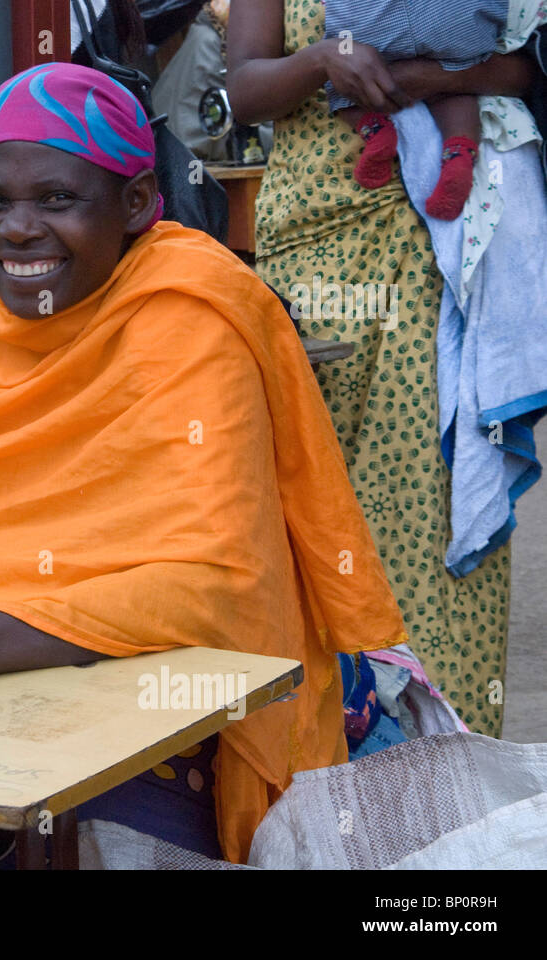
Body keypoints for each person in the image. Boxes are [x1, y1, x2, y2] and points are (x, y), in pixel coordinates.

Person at [0, 62, 406, 868]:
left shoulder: (189, 311)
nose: (18, 230)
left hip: (178, 698)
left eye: (58, 200)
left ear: (136, 203)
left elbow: (214, 585)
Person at [228, 0, 541, 736]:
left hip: (438, 244)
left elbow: (526, 65)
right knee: (307, 503)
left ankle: (449, 775)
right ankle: (327, 756)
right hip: (311, 256)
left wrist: (431, 75)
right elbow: (243, 90)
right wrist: (319, 61)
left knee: (428, 502)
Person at [321, 0, 506, 219]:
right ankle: (459, 154)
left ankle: (376, 131)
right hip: (452, 19)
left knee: (341, 71)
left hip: (367, 20)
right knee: (457, 77)